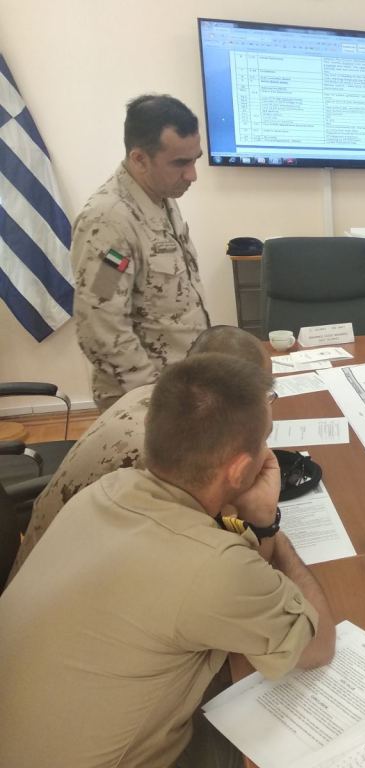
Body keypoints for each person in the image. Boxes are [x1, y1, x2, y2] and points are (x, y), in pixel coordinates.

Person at [0, 354, 335, 767]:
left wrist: (257, 525)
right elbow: (318, 646)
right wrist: (271, 525)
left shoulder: (109, 488)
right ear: (239, 470)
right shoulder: (214, 568)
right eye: (264, 439)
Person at [7, 325, 268, 583]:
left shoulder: (163, 402)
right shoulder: (172, 456)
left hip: (67, 560)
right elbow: (234, 569)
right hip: (65, 581)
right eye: (263, 396)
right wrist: (263, 521)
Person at [72, 93, 210, 411]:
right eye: (180, 163)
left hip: (180, 386)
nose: (192, 174)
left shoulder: (162, 197)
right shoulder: (110, 220)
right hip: (144, 398)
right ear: (139, 159)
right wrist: (152, 397)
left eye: (195, 159)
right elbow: (99, 325)